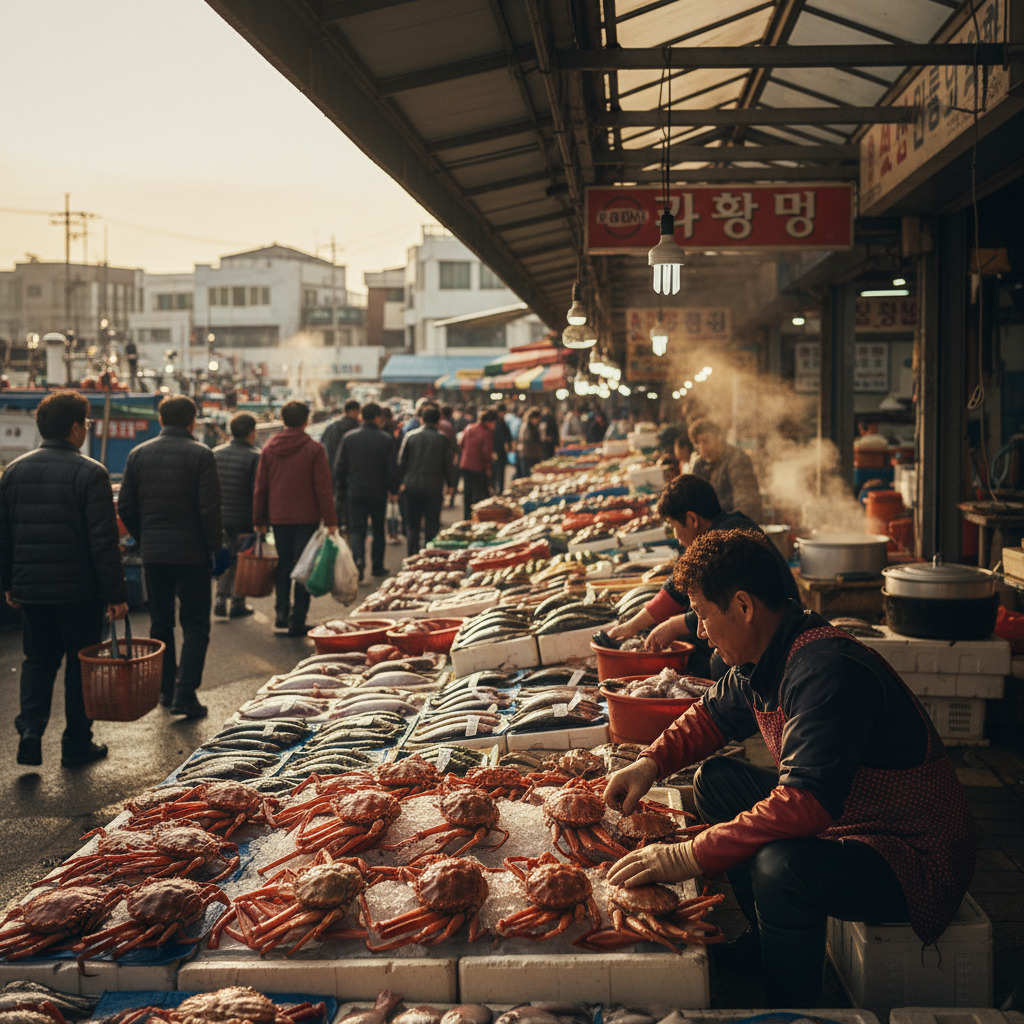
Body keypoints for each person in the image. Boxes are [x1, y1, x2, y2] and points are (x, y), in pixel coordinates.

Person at [603, 528, 976, 1008]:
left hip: (912, 856)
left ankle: (792, 1008)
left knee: (781, 870)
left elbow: (806, 804)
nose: (699, 632)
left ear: (743, 606)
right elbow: (711, 714)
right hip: (848, 821)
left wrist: (690, 855)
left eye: (701, 615)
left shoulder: (825, 670)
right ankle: (768, 939)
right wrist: (649, 763)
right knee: (716, 782)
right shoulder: (767, 652)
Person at [0, 391, 128, 767]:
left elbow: (4, 535)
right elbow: (103, 543)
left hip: (33, 590)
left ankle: (30, 730)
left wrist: (9, 583)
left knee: (37, 660)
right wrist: (117, 594)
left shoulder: (14, 472)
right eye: (85, 423)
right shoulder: (91, 472)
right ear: (75, 427)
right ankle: (75, 742)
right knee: (79, 665)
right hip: (79, 591)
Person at [606, 475, 799, 678]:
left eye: (672, 524)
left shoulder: (727, 539)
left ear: (692, 519)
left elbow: (719, 606)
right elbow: (676, 589)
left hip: (776, 642)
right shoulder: (727, 525)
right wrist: (633, 626)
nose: (676, 537)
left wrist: (673, 625)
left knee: (718, 663)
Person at [119, 395, 222, 719]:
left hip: (154, 555)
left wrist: (144, 536)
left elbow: (125, 507)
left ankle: (166, 690)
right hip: (191, 555)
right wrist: (213, 547)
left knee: (160, 623)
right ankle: (184, 694)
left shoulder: (138, 454)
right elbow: (209, 510)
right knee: (195, 625)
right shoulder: (202, 454)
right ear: (192, 422)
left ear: (161, 420)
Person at [253, 400, 337, 636]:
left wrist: (258, 519)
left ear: (282, 419)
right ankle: (297, 619)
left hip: (278, 517)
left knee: (284, 564)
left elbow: (261, 487)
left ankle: (281, 613)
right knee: (304, 566)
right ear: (306, 420)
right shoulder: (314, 448)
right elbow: (323, 488)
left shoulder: (269, 448)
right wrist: (331, 521)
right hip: (307, 516)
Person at [335, 402, 399, 580]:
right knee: (378, 529)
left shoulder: (349, 438)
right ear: (378, 418)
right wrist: (393, 489)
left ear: (362, 417)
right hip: (378, 492)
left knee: (357, 530)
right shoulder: (385, 439)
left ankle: (358, 565)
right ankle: (377, 566)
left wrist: (342, 491)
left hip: (355, 492)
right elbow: (392, 469)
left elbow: (340, 468)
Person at [212, 413, 261, 619]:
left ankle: (220, 600)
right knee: (241, 561)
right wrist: (259, 521)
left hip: (219, 517)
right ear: (252, 433)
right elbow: (256, 492)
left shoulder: (215, 453)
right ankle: (238, 602)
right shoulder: (256, 456)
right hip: (244, 518)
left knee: (224, 557)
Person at [398, 405, 456, 555]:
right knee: (432, 524)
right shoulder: (442, 438)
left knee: (413, 525)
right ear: (438, 421)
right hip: (434, 488)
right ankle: (429, 556)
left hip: (412, 487)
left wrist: (399, 483)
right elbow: (447, 464)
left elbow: (401, 462)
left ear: (422, 420)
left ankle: (412, 555)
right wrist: (451, 484)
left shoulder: (410, 436)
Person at [689, 419, 763, 522]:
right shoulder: (701, 464)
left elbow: (746, 507)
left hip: (734, 529)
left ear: (718, 437)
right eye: (698, 443)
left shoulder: (737, 459)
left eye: (706, 441)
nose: (703, 448)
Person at [458, 408, 497, 520]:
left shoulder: (469, 427)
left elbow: (461, 444)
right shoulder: (487, 434)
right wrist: (489, 466)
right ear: (489, 422)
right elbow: (486, 454)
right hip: (478, 467)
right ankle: (477, 517)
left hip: (465, 465)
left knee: (467, 494)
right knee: (479, 495)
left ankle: (466, 517)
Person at [321, 399, 360, 471]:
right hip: (350, 472)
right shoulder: (356, 429)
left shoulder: (331, 427)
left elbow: (323, 442)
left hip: (331, 469)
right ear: (355, 411)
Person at [492, 403, 513, 494]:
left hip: (501, 453)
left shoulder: (502, 422)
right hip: (496, 453)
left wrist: (508, 443)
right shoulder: (495, 422)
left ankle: (499, 492)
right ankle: (496, 492)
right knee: (496, 474)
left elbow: (507, 435)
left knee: (500, 475)